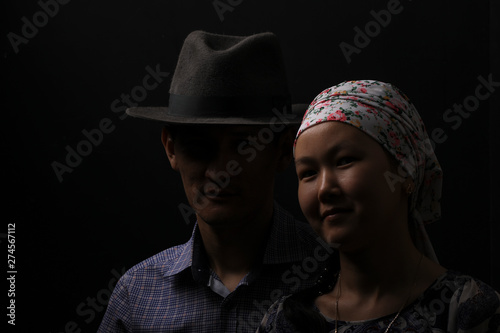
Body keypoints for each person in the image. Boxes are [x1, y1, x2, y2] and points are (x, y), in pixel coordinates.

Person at [97, 30, 332, 333]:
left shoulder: (339, 271)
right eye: (199, 147)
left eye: (244, 146)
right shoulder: (136, 295)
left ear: (284, 150)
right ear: (171, 149)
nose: (221, 170)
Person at [257, 80, 500, 332]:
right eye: (308, 173)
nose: (324, 189)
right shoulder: (285, 322)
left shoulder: (470, 311)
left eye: (344, 161)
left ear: (406, 171)